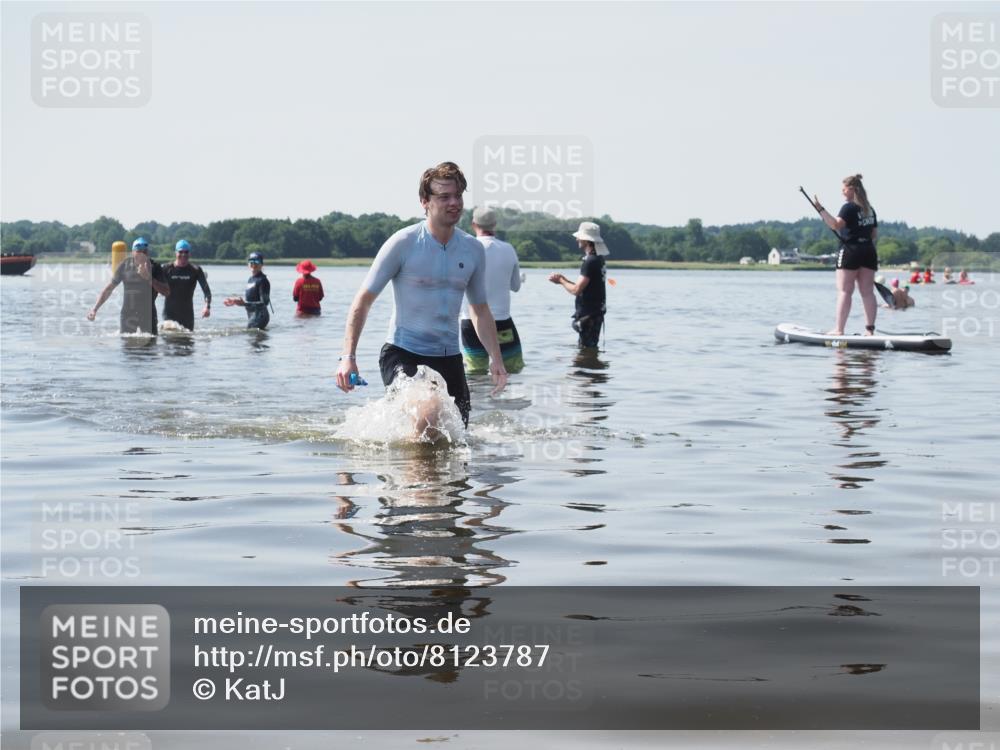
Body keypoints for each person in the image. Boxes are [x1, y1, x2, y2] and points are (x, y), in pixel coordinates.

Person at [334, 161, 507, 427]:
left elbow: (479, 309)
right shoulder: (403, 243)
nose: (454, 203)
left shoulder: (472, 249)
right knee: (428, 411)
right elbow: (363, 301)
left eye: (458, 195)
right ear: (424, 201)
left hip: (450, 358)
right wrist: (348, 358)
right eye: (444, 196)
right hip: (404, 353)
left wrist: (496, 358)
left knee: (456, 437)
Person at [460, 206, 524, 374]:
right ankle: (503, 399)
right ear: (495, 224)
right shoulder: (508, 249)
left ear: (474, 224)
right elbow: (516, 287)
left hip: (471, 323)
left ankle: (479, 401)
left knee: (475, 372)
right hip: (501, 323)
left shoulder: (464, 248)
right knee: (512, 368)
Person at [813, 174, 878, 335]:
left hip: (850, 251)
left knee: (845, 291)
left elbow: (835, 225)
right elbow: (874, 234)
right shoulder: (869, 209)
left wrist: (820, 210)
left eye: (844, 189)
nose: (842, 192)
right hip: (869, 251)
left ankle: (839, 330)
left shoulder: (848, 207)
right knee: (868, 292)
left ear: (852, 189)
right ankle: (870, 331)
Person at [87, 237, 170, 334]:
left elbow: (166, 292)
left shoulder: (155, 267)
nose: (142, 255)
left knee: (150, 345)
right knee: (127, 345)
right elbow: (109, 289)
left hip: (148, 315)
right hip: (128, 315)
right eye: (139, 252)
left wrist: (149, 278)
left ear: (148, 252)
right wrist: (95, 309)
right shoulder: (125, 265)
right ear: (133, 252)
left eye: (145, 252)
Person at [549, 221, 608, 348]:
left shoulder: (590, 261)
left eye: (579, 237)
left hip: (589, 316)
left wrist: (560, 281)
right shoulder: (598, 259)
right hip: (595, 314)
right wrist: (563, 280)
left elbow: (576, 290)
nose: (577, 239)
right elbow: (584, 287)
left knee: (585, 351)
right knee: (588, 352)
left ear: (586, 240)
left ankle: (586, 367)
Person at [161, 239, 211, 330]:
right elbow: (154, 286)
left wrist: (207, 307)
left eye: (186, 252)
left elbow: (206, 290)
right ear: (176, 253)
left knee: (186, 342)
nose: (183, 255)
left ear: (189, 253)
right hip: (169, 315)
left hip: (187, 317)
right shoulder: (166, 269)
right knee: (168, 342)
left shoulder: (195, 270)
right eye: (180, 252)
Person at [224, 252, 270, 329]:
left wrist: (244, 303)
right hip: (252, 315)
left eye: (257, 261)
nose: (254, 264)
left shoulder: (263, 280)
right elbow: (251, 298)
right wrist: (236, 301)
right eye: (251, 262)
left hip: (261, 317)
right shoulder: (250, 279)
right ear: (248, 264)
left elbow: (264, 303)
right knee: (251, 338)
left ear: (261, 264)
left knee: (251, 337)